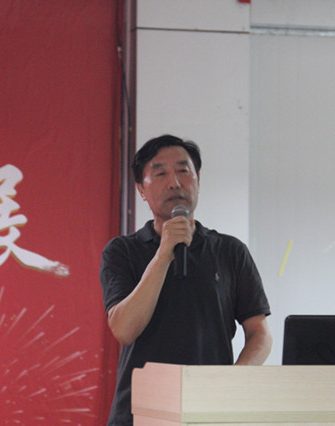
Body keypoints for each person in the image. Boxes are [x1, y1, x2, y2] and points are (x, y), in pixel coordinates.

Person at [100, 134, 272, 425]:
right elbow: (124, 329)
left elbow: (260, 334)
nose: (175, 182)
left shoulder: (230, 251)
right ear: (141, 189)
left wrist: (232, 381)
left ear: (198, 180)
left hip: (210, 412)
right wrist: (163, 255)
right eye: (160, 174)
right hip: (139, 412)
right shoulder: (122, 251)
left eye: (183, 170)